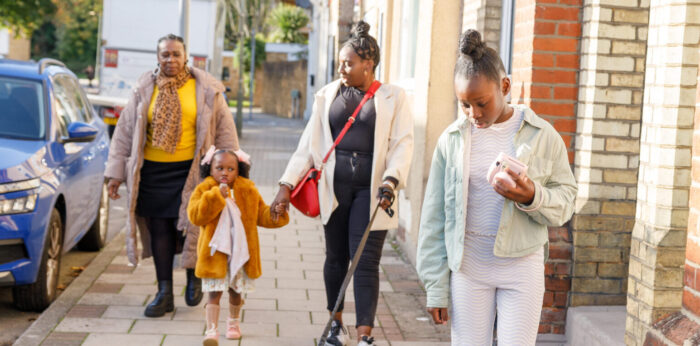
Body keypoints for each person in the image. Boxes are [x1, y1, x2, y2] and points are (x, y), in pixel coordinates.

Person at [415, 29, 577, 345]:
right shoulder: (451, 141)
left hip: (521, 269)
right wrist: (435, 286)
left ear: (505, 86)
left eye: (481, 102)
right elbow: (434, 217)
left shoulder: (542, 135)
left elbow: (567, 200)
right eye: (464, 105)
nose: (473, 113)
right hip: (468, 269)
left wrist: (532, 196)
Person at [271, 21, 414, 346]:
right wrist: (285, 184)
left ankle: (365, 335)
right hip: (333, 189)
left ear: (368, 64)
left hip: (374, 191)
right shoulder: (328, 94)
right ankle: (336, 325)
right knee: (335, 257)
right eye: (340, 62)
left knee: (365, 261)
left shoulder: (394, 97)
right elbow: (309, 144)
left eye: (348, 63)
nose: (341, 68)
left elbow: (403, 144)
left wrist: (391, 181)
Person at [105, 34, 239, 317]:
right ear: (158, 57)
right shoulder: (144, 87)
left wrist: (229, 170)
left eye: (176, 54)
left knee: (192, 225)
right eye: (165, 54)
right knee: (160, 229)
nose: (171, 59)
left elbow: (225, 130)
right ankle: (164, 292)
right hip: (152, 171)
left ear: (185, 56)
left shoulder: (205, 88)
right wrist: (115, 174)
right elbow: (124, 133)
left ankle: (193, 276)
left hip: (192, 170)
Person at [188, 148, 288, 345]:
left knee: (236, 291)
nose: (225, 172)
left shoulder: (248, 190)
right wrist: (217, 196)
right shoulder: (204, 190)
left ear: (238, 170)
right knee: (214, 292)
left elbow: (262, 215)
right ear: (210, 169)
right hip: (215, 253)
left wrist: (276, 211)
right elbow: (196, 216)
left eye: (230, 168)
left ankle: (233, 324)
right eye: (219, 168)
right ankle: (212, 329)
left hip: (239, 252)